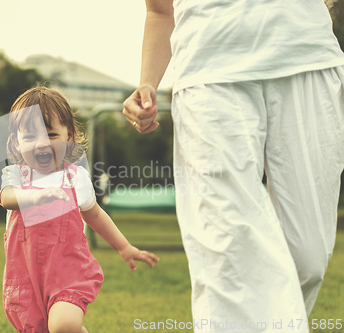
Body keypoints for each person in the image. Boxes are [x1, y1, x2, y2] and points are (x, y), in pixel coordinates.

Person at [123, 1, 344, 332]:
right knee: (227, 248)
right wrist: (148, 81)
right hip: (208, 74)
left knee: (307, 258)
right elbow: (159, 12)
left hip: (307, 60)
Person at [0, 86, 160, 333]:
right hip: (26, 277)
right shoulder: (15, 177)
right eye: (30, 137)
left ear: (69, 137)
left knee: (64, 325)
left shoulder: (75, 179)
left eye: (51, 134)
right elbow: (6, 197)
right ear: (16, 143)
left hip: (67, 273)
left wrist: (124, 246)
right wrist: (34, 197)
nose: (41, 144)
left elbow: (94, 214)